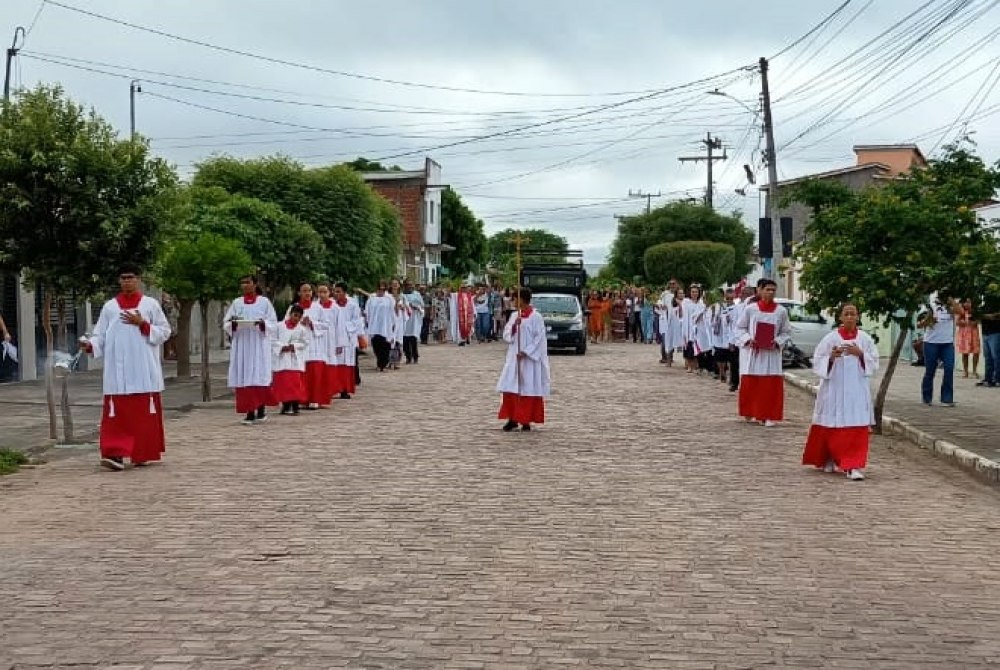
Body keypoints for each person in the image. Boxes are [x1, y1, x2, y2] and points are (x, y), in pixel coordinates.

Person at [79, 264, 171, 471]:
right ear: (119, 281)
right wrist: (90, 345)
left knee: (142, 416)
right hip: (117, 372)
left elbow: (165, 331)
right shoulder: (110, 307)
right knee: (116, 416)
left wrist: (143, 324)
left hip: (143, 369)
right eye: (123, 278)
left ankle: (141, 453)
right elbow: (100, 334)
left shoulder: (150, 305)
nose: (127, 281)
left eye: (131, 277)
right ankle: (115, 454)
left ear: (138, 279)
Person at [801, 304, 879, 481]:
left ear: (858, 317)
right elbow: (817, 360)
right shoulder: (830, 338)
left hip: (856, 390)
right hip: (834, 389)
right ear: (840, 317)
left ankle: (852, 465)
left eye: (853, 314)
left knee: (855, 426)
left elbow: (874, 362)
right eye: (846, 314)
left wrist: (860, 354)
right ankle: (829, 456)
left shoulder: (865, 339)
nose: (850, 317)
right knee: (831, 425)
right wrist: (831, 357)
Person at [734, 279, 791, 426]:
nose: (770, 292)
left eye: (773, 290)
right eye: (767, 289)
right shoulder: (751, 309)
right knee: (752, 383)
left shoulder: (781, 311)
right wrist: (748, 339)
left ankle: (768, 415)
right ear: (760, 290)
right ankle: (751, 411)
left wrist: (777, 341)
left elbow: (786, 331)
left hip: (771, 355)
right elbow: (740, 328)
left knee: (770, 385)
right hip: (754, 353)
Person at [224, 275, 278, 425]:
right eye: (242, 283)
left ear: (255, 284)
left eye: (248, 282)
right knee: (245, 376)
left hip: (258, 343)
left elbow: (273, 322)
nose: (245, 285)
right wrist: (233, 324)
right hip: (242, 344)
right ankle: (249, 411)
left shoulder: (264, 302)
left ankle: (260, 409)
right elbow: (227, 322)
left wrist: (262, 324)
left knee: (258, 376)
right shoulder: (237, 303)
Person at [496, 287, 551, 432]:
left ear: (522, 299)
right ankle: (512, 418)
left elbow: (540, 338)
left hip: (529, 360)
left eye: (515, 298)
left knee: (527, 387)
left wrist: (526, 352)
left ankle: (526, 419)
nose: (513, 301)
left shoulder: (536, 317)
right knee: (512, 386)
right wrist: (515, 326)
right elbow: (507, 333)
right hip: (514, 357)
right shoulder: (515, 315)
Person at [918, 294, 963, 407]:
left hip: (947, 343)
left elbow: (960, 311)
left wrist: (951, 300)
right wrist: (927, 320)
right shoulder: (928, 306)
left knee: (949, 368)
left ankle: (946, 398)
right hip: (931, 343)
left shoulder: (950, 306)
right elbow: (919, 324)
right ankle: (927, 397)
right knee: (930, 370)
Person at [290, 283, 329, 410]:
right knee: (299, 372)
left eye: (309, 290)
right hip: (299, 342)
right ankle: (300, 398)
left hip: (314, 343)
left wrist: (312, 323)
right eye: (304, 290)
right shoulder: (293, 308)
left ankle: (315, 399)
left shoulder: (318, 307)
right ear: (299, 293)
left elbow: (326, 324)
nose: (307, 293)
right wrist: (297, 322)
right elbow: (286, 324)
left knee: (315, 372)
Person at [271, 304, 310, 415]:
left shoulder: (302, 329)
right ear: (290, 314)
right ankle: (285, 405)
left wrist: (294, 346)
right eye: (295, 315)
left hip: (294, 359)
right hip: (282, 358)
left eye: (299, 317)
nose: (296, 318)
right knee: (283, 384)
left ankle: (295, 406)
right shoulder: (279, 326)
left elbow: (305, 342)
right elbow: (273, 340)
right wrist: (281, 347)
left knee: (295, 384)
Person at [325, 283, 358, 399]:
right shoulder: (331, 304)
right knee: (334, 363)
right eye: (335, 291)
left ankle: (344, 389)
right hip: (333, 337)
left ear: (344, 292)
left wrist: (344, 327)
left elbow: (356, 321)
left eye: (339, 291)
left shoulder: (353, 304)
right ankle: (333, 388)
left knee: (345, 364)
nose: (336, 294)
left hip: (347, 337)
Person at [728, 285, 756, 392]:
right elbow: (733, 325)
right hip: (738, 339)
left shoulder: (756, 308)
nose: (747, 296)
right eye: (745, 294)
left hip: (752, 341)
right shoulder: (738, 308)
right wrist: (731, 341)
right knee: (735, 363)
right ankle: (734, 383)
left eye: (749, 294)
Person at [364, 281, 395, 372]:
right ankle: (379, 362)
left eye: (383, 288)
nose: (381, 290)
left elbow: (392, 311)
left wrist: (393, 323)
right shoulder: (372, 298)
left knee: (385, 346)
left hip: (386, 325)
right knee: (376, 345)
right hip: (374, 325)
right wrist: (367, 321)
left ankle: (382, 364)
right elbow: (367, 311)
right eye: (379, 288)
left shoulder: (389, 298)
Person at [956, 299, 981, 379]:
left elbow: (978, 321)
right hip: (964, 334)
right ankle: (965, 371)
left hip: (974, 333)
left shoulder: (975, 311)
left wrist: (974, 322)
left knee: (976, 352)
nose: (967, 304)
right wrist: (963, 322)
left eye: (969, 302)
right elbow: (957, 322)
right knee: (965, 353)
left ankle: (974, 371)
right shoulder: (961, 311)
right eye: (966, 302)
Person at [402, 280, 424, 364]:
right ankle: (408, 357)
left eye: (411, 285)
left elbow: (422, 305)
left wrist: (416, 307)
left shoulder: (417, 294)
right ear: (404, 286)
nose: (409, 286)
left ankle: (415, 356)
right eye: (407, 285)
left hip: (414, 319)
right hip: (405, 320)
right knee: (405, 340)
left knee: (413, 339)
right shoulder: (402, 295)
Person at [978, 309, 1000, 388]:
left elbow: (996, 315)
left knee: (996, 357)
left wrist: (986, 316)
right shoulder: (982, 304)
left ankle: (997, 379)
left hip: (995, 332)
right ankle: (988, 379)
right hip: (985, 332)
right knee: (988, 358)